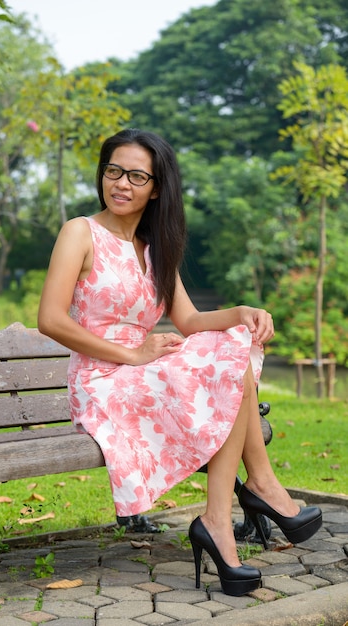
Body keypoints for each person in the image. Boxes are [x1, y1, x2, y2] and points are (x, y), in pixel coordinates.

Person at [38, 128, 322, 596]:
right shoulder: (80, 232)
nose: (121, 183)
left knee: (230, 344)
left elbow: (189, 320)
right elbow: (50, 318)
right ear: (101, 174)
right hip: (102, 378)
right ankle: (253, 492)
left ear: (156, 187)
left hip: (142, 369)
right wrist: (132, 353)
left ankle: (223, 514)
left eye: (136, 175)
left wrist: (243, 313)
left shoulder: (155, 247)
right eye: (113, 171)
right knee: (225, 363)